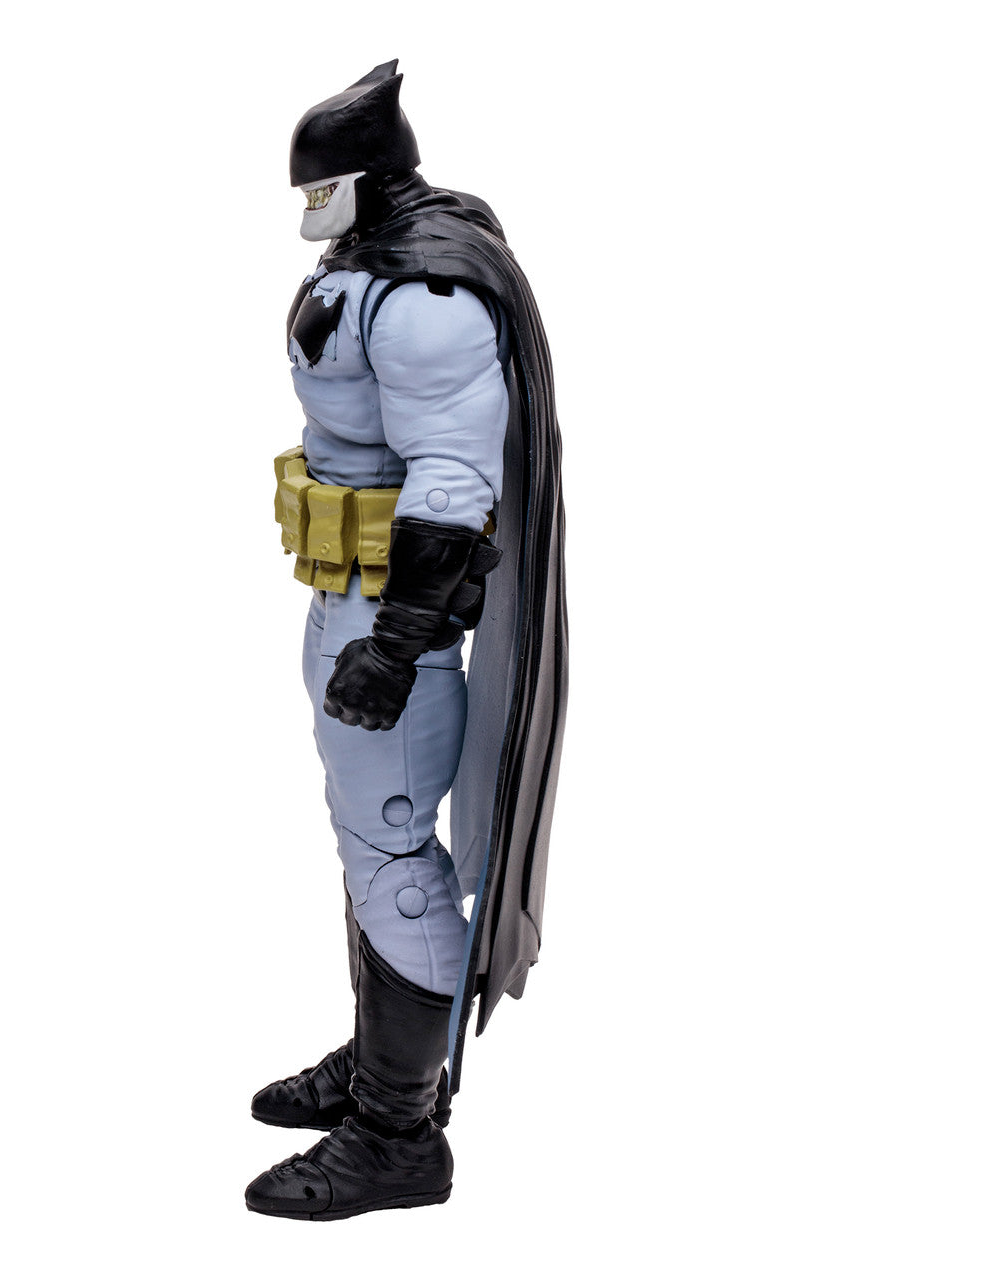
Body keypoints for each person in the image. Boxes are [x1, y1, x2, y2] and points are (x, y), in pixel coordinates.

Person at [245, 62, 568, 1221]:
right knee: (367, 844)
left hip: (393, 624)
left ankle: (397, 1131)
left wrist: (396, 643)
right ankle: (381, 1062)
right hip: (345, 599)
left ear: (365, 177)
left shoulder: (426, 296)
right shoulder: (368, 267)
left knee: (392, 853)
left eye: (320, 185)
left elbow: (449, 481)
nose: (306, 207)